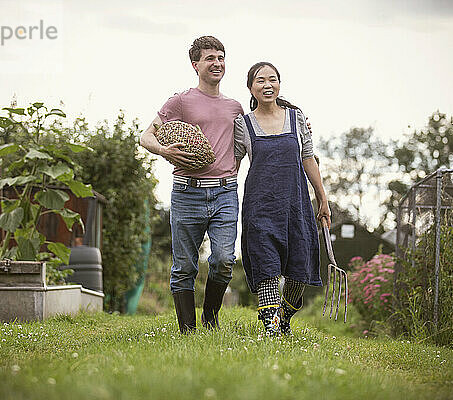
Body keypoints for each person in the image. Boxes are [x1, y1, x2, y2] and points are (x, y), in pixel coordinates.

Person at [140, 36, 244, 333]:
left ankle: (210, 319)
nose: (217, 63)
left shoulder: (235, 107)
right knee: (184, 265)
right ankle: (188, 329)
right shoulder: (180, 101)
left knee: (224, 259)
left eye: (221, 57)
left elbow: (260, 125)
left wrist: (296, 119)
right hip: (187, 192)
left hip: (225, 192)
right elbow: (146, 136)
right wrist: (164, 150)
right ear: (195, 64)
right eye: (210, 58)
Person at [234, 61, 331, 335]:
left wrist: (322, 198)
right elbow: (233, 165)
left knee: (298, 270)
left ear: (279, 84)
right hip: (259, 207)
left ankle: (284, 317)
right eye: (260, 80)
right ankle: (272, 329)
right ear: (251, 88)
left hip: (295, 205)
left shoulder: (296, 118)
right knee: (266, 266)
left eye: (272, 79)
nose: (267, 85)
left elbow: (308, 158)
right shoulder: (243, 124)